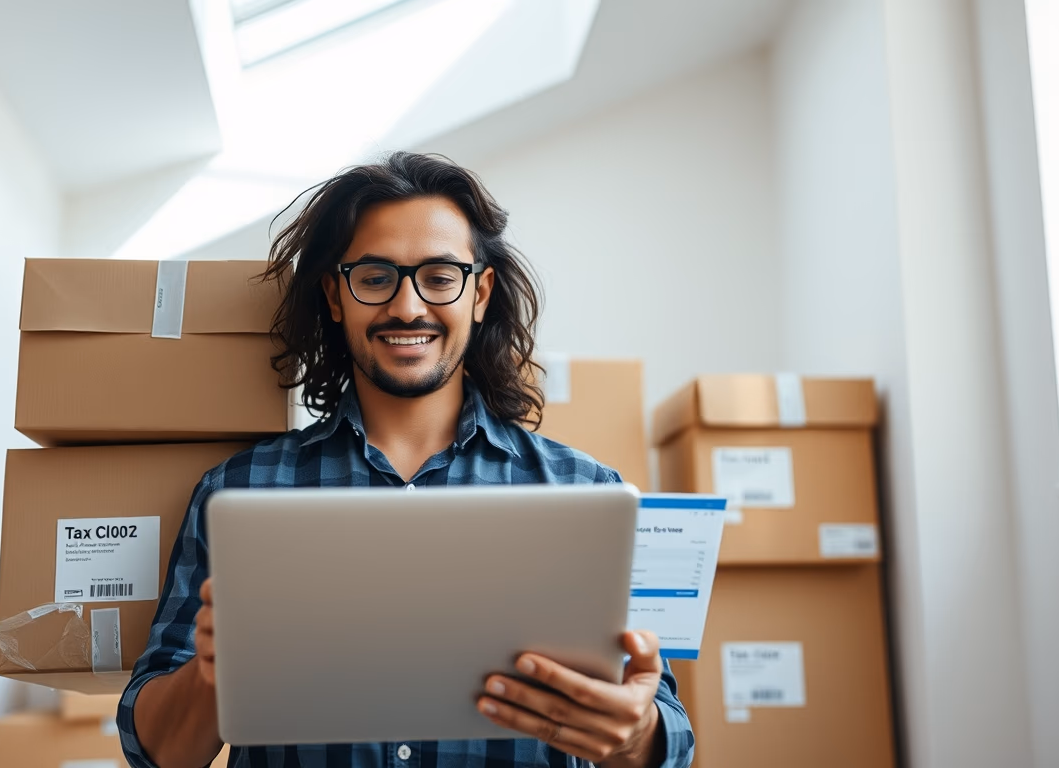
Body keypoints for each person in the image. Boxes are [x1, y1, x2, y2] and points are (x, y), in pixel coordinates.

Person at [117, 152, 694, 768]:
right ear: (336, 296)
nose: (408, 308)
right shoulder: (242, 489)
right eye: (375, 276)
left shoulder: (585, 493)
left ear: (480, 293)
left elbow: (668, 737)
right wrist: (212, 673)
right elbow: (156, 753)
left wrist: (634, 734)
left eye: (440, 276)